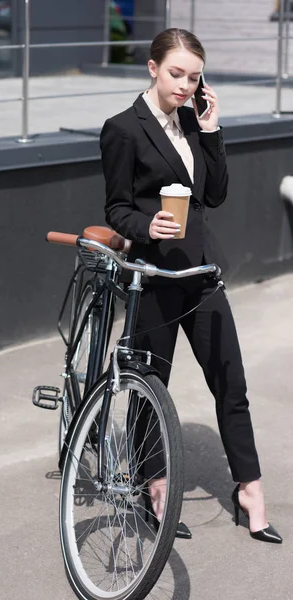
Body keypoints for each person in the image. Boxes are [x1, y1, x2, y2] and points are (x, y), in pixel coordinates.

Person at [100, 28, 282, 544]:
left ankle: (249, 489)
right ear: (153, 67)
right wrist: (144, 226)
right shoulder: (122, 129)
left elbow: (215, 196)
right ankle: (153, 484)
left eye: (194, 77)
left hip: (201, 272)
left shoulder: (190, 119)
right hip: (154, 276)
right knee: (150, 388)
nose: (185, 85)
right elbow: (116, 207)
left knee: (232, 382)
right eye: (176, 73)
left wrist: (211, 130)